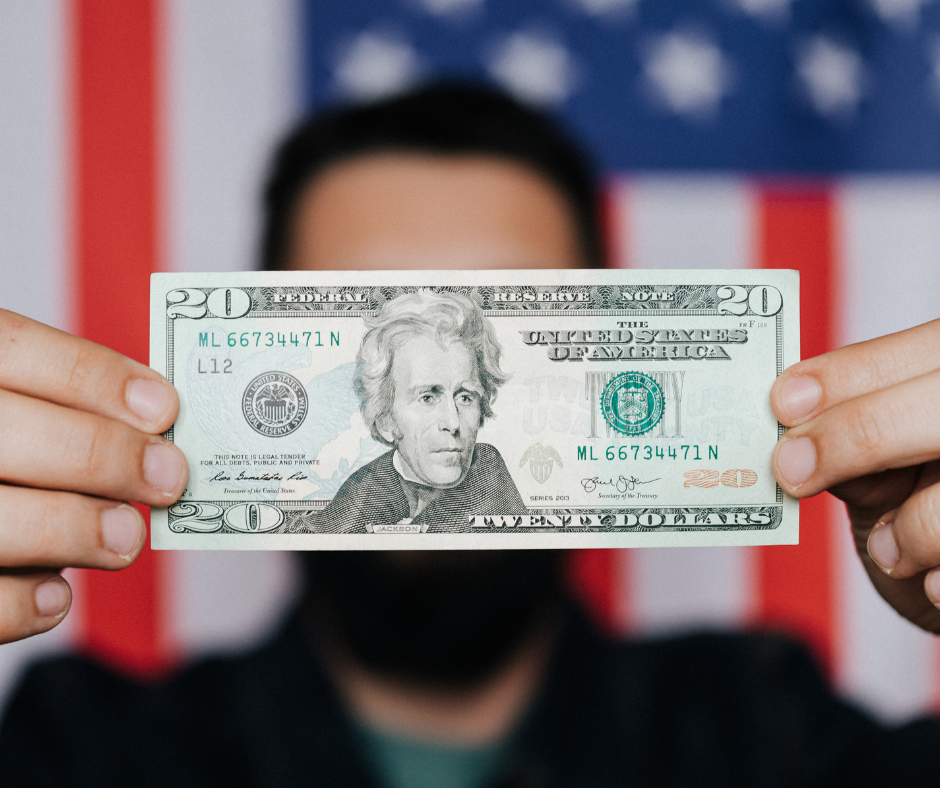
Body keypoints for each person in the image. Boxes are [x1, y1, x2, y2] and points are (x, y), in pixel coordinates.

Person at [0, 82, 939, 786]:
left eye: (489, 350)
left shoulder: (767, 730)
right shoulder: (83, 749)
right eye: (378, 325)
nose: (449, 413)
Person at [315, 290, 525, 533]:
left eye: (465, 398)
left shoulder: (491, 481)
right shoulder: (359, 497)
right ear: (386, 420)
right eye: (427, 398)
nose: (453, 422)